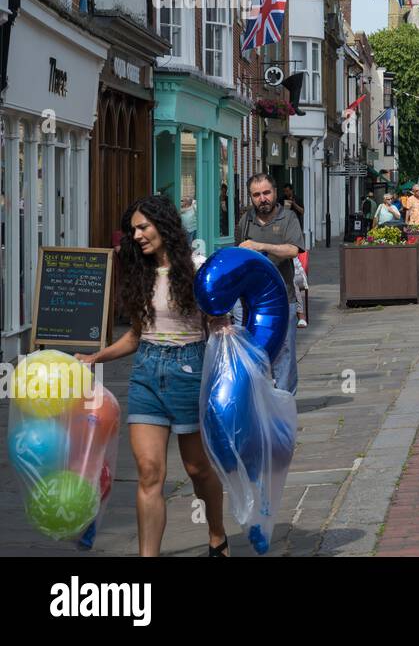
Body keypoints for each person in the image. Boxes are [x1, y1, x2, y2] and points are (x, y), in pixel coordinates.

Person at [76, 195, 231, 556]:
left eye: (143, 227)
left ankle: (217, 534)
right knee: (148, 472)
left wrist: (223, 327)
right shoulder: (140, 275)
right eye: (133, 231)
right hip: (146, 372)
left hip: (189, 371)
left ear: (164, 225)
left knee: (197, 469)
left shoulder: (196, 269)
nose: (138, 235)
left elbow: (218, 322)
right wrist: (97, 356)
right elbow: (136, 335)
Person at [235, 173, 307, 395]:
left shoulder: (288, 218)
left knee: (284, 353)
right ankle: (262, 403)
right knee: (255, 353)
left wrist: (260, 246)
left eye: (266, 193)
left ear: (274, 192)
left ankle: (285, 402)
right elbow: (238, 252)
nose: (262, 199)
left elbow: (293, 249)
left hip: (283, 298)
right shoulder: (245, 220)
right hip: (251, 302)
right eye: (256, 195)